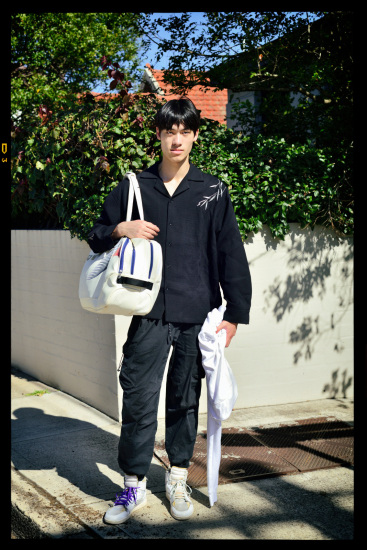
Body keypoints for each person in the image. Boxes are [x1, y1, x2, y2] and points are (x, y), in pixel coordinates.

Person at [87, 98, 252, 524]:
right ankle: (132, 488)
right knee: (140, 401)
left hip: (196, 314)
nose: (176, 139)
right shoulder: (134, 187)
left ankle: (177, 477)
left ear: (195, 135)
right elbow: (96, 234)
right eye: (169, 131)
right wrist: (122, 228)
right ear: (158, 134)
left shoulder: (213, 190)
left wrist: (234, 314)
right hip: (149, 314)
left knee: (184, 400)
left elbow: (231, 254)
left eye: (185, 131)